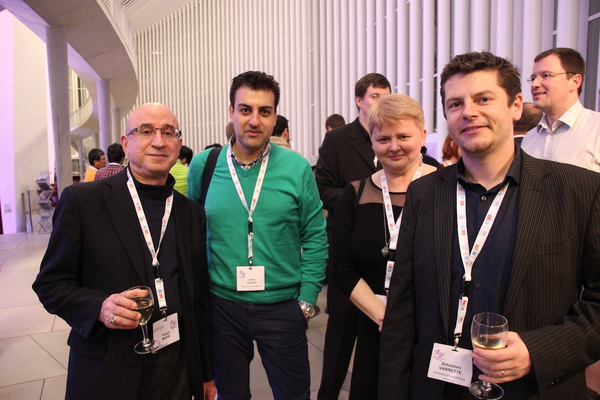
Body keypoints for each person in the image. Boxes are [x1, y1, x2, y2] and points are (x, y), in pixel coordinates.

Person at [379, 51, 600, 400]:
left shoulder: (579, 190)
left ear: (515, 106)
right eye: (455, 104)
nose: (468, 112)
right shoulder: (423, 194)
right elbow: (401, 311)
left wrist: (537, 351)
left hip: (533, 390)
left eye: (483, 99)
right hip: (438, 388)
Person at [32, 103, 216, 400]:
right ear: (126, 143)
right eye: (146, 131)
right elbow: (50, 284)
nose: (159, 141)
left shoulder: (191, 214)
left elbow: (199, 301)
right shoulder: (84, 201)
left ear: (178, 143)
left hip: (177, 367)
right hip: (110, 367)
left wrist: (206, 372)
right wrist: (99, 307)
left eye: (168, 132)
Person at [188, 71, 328, 400]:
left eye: (264, 111)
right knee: (230, 395)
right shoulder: (204, 166)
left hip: (283, 307)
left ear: (275, 116)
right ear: (231, 112)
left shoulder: (296, 168)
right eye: (245, 109)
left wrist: (306, 302)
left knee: (293, 394)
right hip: (223, 308)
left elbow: (315, 236)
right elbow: (191, 235)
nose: (254, 120)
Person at [333, 94, 436, 399]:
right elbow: (342, 266)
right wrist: (385, 317)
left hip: (430, 328)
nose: (394, 146)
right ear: (372, 143)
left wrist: (406, 318)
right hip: (374, 324)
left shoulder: (447, 188)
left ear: (422, 136)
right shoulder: (356, 193)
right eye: (383, 139)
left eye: (403, 136)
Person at [315, 72, 391, 400]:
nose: (380, 103)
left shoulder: (391, 138)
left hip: (389, 255)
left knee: (382, 338)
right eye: (375, 96)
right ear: (359, 100)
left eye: (386, 97)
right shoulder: (338, 139)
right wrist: (360, 200)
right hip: (348, 252)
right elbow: (322, 188)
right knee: (341, 335)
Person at [521, 47, 600, 171]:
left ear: (574, 81)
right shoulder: (529, 138)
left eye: (546, 75)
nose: (535, 84)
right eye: (533, 78)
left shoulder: (596, 130)